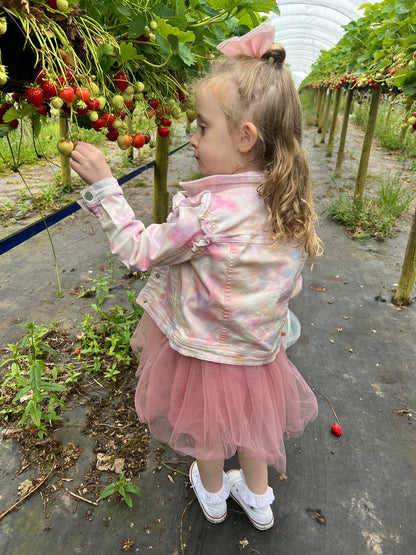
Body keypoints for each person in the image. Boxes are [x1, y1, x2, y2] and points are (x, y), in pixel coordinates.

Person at [70, 20, 321, 531]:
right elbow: (286, 285)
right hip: (257, 350)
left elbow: (140, 250)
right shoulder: (288, 203)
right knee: (254, 427)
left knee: (207, 426)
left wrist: (105, 188)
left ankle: (210, 493)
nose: (192, 135)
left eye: (202, 127)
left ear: (246, 137)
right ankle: (258, 499)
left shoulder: (208, 212)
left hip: (206, 350)